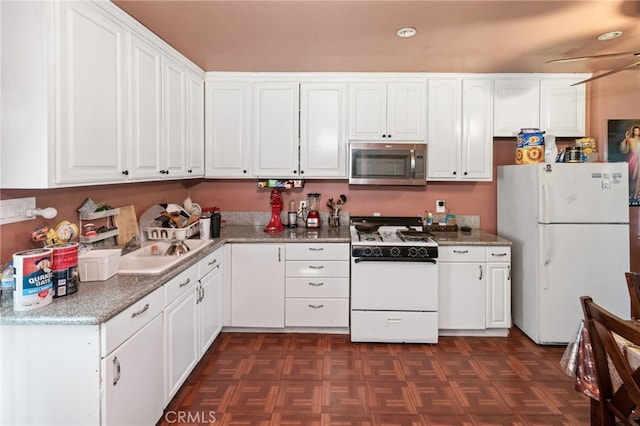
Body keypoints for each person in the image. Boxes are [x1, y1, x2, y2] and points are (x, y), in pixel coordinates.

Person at [620, 124, 640, 200]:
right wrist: (626, 140)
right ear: (633, 132)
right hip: (634, 160)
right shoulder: (631, 140)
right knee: (633, 176)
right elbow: (624, 149)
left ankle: (638, 194)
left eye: (638, 130)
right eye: (635, 131)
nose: (637, 132)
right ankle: (632, 193)